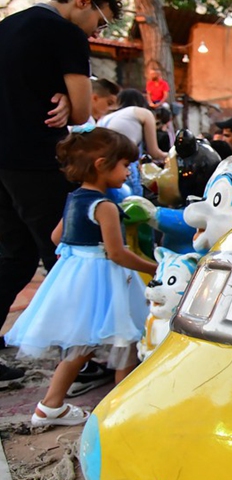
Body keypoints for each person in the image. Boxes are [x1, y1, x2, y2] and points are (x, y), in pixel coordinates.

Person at [0, 0, 123, 382]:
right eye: (100, 21)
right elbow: (84, 114)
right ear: (83, 1)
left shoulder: (6, 26)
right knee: (69, 254)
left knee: (14, 256)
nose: (95, 32)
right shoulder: (63, 32)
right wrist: (73, 101)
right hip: (35, 158)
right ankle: (80, 357)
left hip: (2, 161)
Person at [5, 126, 156, 427]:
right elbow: (116, 252)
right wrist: (154, 268)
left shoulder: (73, 198)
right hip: (104, 281)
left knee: (81, 347)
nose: (129, 172)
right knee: (125, 342)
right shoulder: (105, 206)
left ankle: (51, 405)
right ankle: (120, 410)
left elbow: (55, 236)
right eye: (125, 165)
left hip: (76, 278)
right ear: (102, 165)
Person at [99, 88, 168, 195]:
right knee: (133, 206)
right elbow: (154, 152)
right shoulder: (144, 113)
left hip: (101, 170)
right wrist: (172, 156)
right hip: (123, 168)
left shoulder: (105, 118)